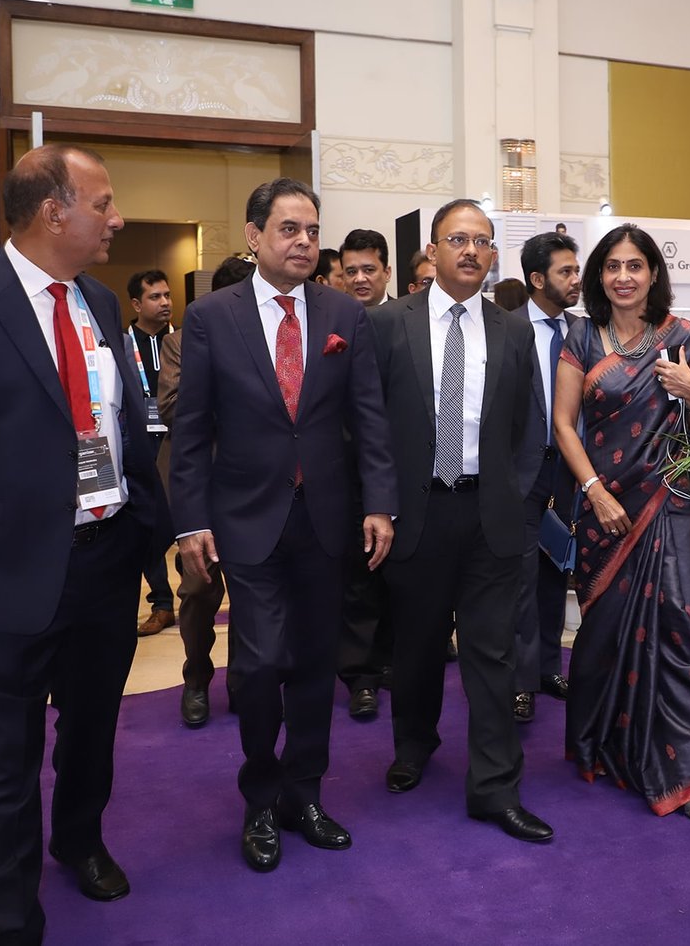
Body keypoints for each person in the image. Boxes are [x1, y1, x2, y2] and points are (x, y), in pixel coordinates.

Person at [0, 144, 171, 942]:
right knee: (5, 757)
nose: (116, 218)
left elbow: (114, 423)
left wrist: (148, 533)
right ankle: (11, 917)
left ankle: (79, 841)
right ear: (55, 212)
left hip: (106, 559)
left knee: (92, 728)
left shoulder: (101, 302)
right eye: (103, 203)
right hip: (5, 574)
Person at [169, 178, 398, 872]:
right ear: (254, 236)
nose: (304, 242)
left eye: (312, 230)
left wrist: (379, 502)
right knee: (261, 661)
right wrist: (190, 520)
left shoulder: (342, 312)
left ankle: (305, 795)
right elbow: (191, 428)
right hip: (247, 519)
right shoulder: (212, 317)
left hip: (326, 520)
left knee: (315, 664)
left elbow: (369, 416)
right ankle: (260, 798)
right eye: (289, 229)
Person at [370, 198, 553, 843]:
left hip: (489, 515)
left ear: (494, 254)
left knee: (492, 654)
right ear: (432, 250)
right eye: (457, 240)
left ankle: (496, 787)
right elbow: (369, 425)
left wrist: (514, 496)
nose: (471, 251)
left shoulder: (513, 331)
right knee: (416, 645)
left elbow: (530, 426)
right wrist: (380, 502)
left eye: (482, 241)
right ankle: (414, 744)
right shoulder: (387, 324)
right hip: (416, 513)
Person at [551, 223, 690, 824]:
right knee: (605, 636)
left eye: (635, 265)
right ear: (598, 276)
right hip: (606, 508)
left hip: (675, 505)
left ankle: (686, 774)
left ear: (654, 273)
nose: (623, 277)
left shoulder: (686, 338)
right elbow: (563, 423)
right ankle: (610, 746)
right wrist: (593, 492)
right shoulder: (582, 337)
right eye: (612, 266)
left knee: (684, 633)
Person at [156, 254, 257, 728]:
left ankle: (243, 681)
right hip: (200, 485)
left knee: (253, 591)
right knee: (198, 589)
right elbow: (173, 407)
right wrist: (238, 401)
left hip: (253, 486)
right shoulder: (180, 341)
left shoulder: (270, 340)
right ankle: (196, 677)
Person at [513, 230, 581, 723]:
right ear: (538, 279)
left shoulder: (585, 332)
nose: (576, 279)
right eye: (566, 272)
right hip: (520, 474)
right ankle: (520, 682)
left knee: (557, 571)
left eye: (577, 270)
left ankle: (548, 668)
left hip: (570, 473)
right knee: (519, 580)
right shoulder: (506, 328)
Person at [127, 269, 179, 637]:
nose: (165, 303)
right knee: (147, 525)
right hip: (142, 442)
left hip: (180, 439)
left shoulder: (185, 338)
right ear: (136, 304)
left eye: (167, 295)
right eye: (155, 297)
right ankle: (161, 603)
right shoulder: (120, 342)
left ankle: (194, 594)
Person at [342, 228, 392, 307]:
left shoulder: (404, 314)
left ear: (387, 273)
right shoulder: (332, 314)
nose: (360, 279)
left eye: (369, 270)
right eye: (351, 272)